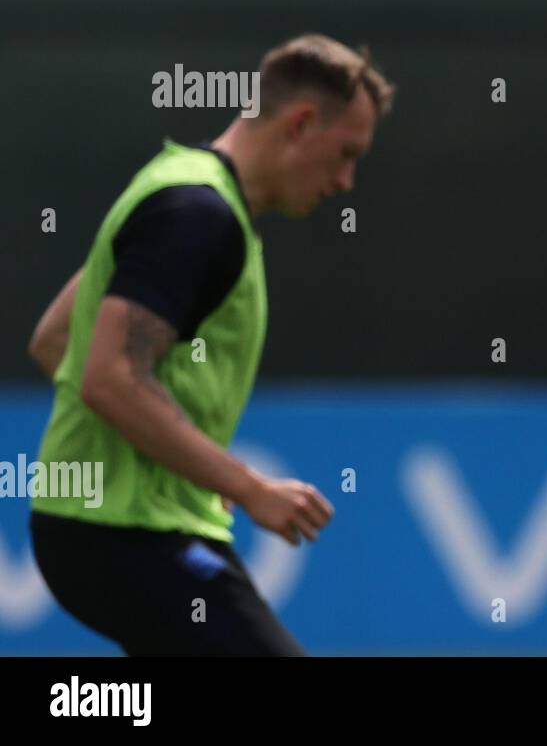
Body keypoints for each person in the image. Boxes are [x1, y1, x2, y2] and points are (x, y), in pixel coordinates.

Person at [26, 34, 395, 655]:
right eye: (345, 154)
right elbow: (109, 376)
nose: (346, 181)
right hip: (122, 531)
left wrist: (183, 461)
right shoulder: (197, 216)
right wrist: (248, 486)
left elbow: (55, 338)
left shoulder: (178, 187)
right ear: (301, 123)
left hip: (101, 525)